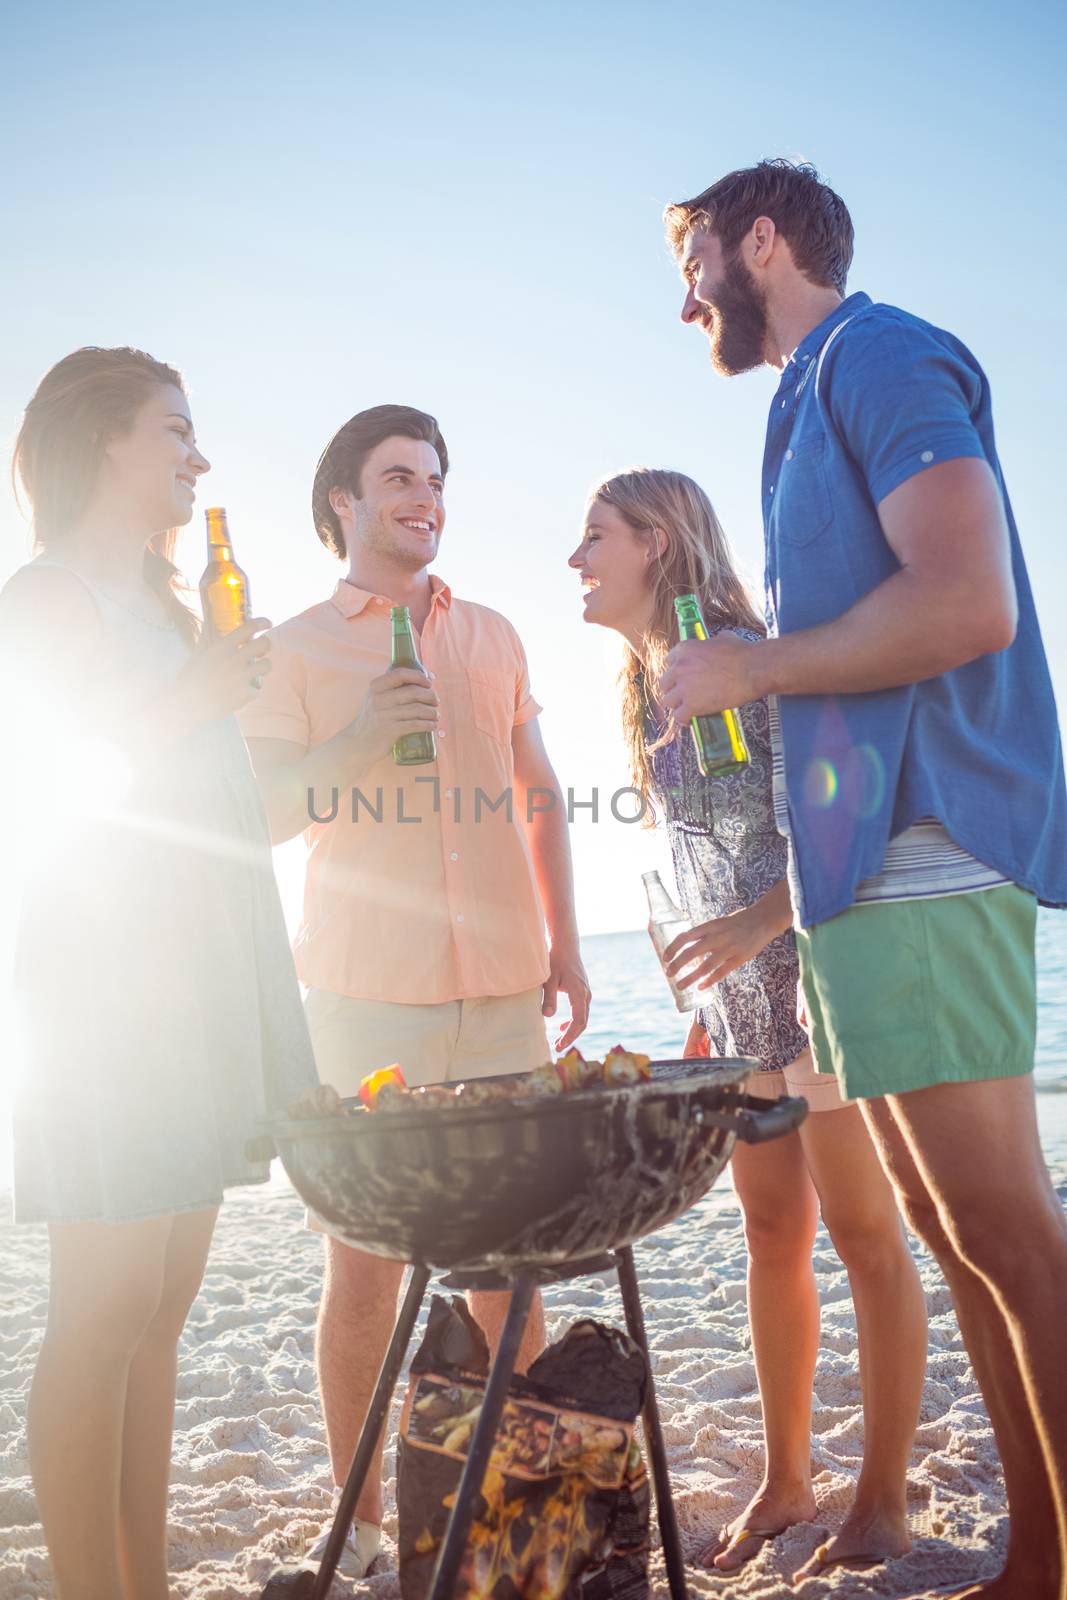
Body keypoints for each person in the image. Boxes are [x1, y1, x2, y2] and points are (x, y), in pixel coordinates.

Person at [660, 159, 1067, 1600]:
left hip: (925, 847)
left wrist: (747, 665)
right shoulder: (804, 394)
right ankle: (1032, 1561)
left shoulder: (875, 350)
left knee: (1010, 1240)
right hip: (855, 874)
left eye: (693, 253)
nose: (684, 288)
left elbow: (967, 601)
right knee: (963, 1248)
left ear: (758, 238)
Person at [240, 403, 590, 1579]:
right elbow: (258, 819)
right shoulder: (291, 648)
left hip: (501, 990)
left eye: (434, 478)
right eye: (397, 476)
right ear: (341, 500)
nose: (423, 496)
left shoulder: (490, 635)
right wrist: (348, 744)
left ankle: (506, 1510)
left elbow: (539, 792)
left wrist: (569, 946)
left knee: (510, 1270)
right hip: (362, 996)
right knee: (365, 1271)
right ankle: (369, 1530)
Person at [0, 346, 319, 1600]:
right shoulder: (46, 599)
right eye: (174, 431)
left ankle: (142, 1583)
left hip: (201, 973)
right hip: (105, 983)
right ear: (99, 442)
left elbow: (224, 798)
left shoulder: (171, 612)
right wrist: (191, 699)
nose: (197, 457)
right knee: (106, 1299)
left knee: (165, 1302)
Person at [569, 466, 927, 1576]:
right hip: (735, 1013)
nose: (573, 561)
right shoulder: (643, 686)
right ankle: (784, 1479)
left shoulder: (741, 658)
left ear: (657, 541)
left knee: (867, 1238)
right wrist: (707, 994)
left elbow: (845, 811)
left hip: (818, 986)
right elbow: (699, 858)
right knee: (771, 1235)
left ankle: (877, 1502)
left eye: (592, 536)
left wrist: (756, 928)